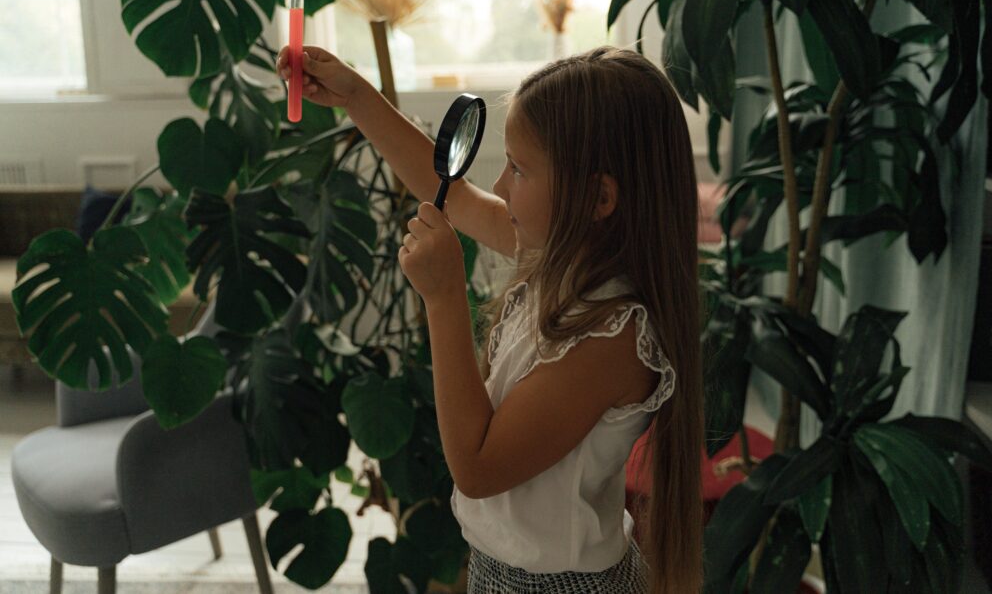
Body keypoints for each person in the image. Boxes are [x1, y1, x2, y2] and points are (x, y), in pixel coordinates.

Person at [277, 44, 704, 594]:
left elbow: (477, 469)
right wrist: (356, 98)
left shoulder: (613, 333)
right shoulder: (561, 256)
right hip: (500, 573)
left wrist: (444, 299)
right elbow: (451, 193)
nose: (500, 186)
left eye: (519, 169)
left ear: (598, 197)